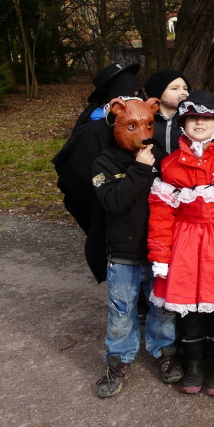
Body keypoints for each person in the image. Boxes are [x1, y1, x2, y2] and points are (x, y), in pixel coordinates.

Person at [148, 90, 214, 396]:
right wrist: (160, 255)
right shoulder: (170, 165)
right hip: (185, 241)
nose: (199, 123)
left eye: (205, 118)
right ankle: (193, 363)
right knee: (189, 303)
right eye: (193, 118)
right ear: (183, 123)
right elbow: (161, 216)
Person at [91, 96, 180, 398]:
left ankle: (165, 352)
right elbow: (113, 202)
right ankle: (119, 360)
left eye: (149, 125)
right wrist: (140, 169)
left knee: (162, 308)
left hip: (159, 254)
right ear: (116, 122)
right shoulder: (104, 162)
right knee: (122, 311)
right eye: (132, 126)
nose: (143, 134)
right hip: (123, 254)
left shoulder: (160, 156)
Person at [52, 62, 143, 281]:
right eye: (131, 94)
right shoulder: (94, 130)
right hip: (110, 206)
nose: (137, 98)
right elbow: (75, 172)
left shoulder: (143, 121)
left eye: (139, 93)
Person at [144, 69, 190, 154]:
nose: (184, 93)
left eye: (185, 88)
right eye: (175, 88)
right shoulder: (146, 122)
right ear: (158, 93)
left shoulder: (191, 120)